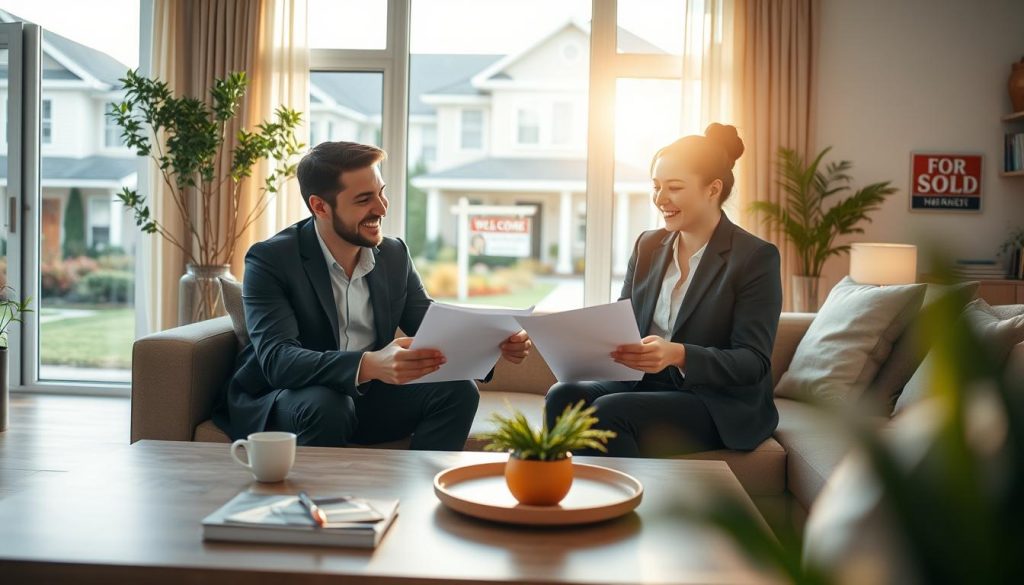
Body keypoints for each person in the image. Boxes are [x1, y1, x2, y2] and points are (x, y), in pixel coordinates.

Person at [216, 141, 532, 449]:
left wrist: (492, 342)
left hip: (368, 397)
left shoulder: (393, 254)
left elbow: (429, 321)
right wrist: (370, 364)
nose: (381, 208)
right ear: (320, 206)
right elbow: (278, 359)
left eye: (381, 193)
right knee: (327, 405)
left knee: (458, 391)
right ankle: (322, 502)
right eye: (364, 199)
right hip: (292, 397)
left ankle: (420, 492)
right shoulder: (271, 260)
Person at [544, 124, 782, 457]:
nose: (660, 199)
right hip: (645, 383)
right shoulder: (648, 245)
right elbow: (621, 324)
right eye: (656, 187)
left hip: (715, 400)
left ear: (713, 189)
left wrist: (677, 353)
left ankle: (621, 505)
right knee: (563, 395)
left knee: (611, 411)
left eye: (674, 188)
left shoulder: (755, 257)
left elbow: (752, 361)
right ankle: (569, 498)